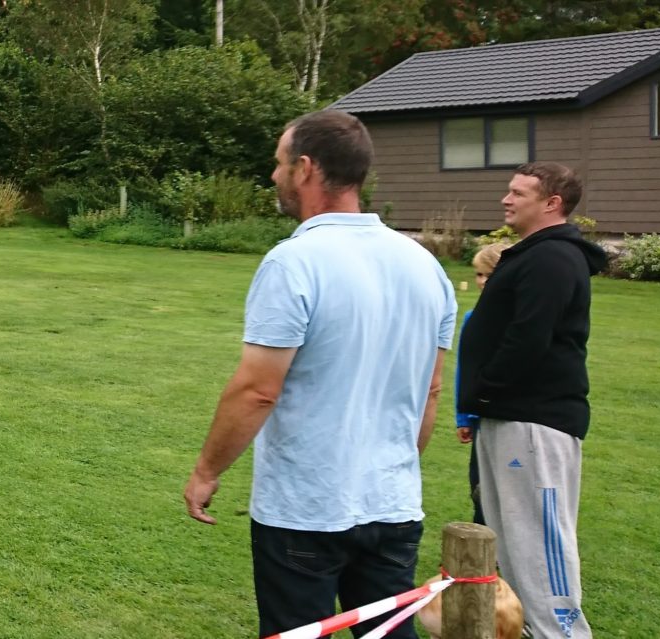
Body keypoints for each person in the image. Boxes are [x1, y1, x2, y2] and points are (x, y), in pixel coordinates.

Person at [183, 110, 457, 639]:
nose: (274, 176)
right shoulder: (425, 265)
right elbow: (432, 389)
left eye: (280, 163)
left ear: (306, 168)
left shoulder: (294, 262)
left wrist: (206, 471)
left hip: (306, 508)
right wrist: (390, 466)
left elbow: (258, 389)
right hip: (392, 504)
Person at [458, 162, 606, 639]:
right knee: (509, 542)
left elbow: (529, 338)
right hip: (507, 415)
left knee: (539, 542)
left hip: (534, 423)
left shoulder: (553, 258)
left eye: (517, 192)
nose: (506, 199)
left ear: (551, 203)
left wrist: (485, 387)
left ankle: (561, 632)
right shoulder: (534, 254)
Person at [455, 242, 510, 525]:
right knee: (479, 488)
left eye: (488, 274)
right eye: (478, 274)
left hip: (510, 418)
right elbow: (465, 368)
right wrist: (463, 416)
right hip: (479, 418)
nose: (482, 281)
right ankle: (483, 557)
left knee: (510, 491)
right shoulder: (471, 318)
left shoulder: (520, 318)